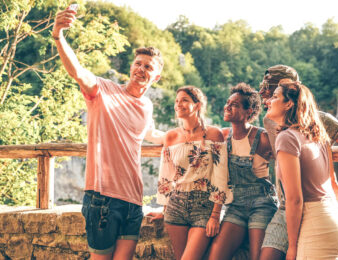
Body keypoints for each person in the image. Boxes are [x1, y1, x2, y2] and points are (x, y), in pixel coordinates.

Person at [53, 6, 164, 260]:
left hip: (134, 202)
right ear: (131, 67)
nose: (141, 69)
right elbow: (77, 71)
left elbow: (151, 134)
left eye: (148, 67)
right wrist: (58, 34)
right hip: (102, 199)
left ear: (156, 76)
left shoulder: (147, 106)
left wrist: (192, 134)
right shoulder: (103, 90)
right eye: (138, 64)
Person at [263, 79, 338, 259]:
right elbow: (334, 185)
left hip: (319, 229)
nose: (268, 101)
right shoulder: (317, 135)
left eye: (274, 97)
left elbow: (295, 199)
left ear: (288, 104)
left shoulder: (287, 138)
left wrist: (291, 246)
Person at [148, 86, 232, 260]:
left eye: (185, 100)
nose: (179, 104)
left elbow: (221, 176)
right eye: (177, 101)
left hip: (204, 206)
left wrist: (215, 215)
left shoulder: (214, 134)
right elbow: (166, 176)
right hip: (176, 205)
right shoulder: (171, 136)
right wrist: (164, 210)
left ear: (198, 105)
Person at [207, 83, 278, 260]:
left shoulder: (262, 137)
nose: (228, 107)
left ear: (249, 111)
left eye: (235, 105)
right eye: (228, 103)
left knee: (257, 257)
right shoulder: (223, 136)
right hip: (235, 205)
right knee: (215, 256)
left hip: (262, 203)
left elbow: (286, 161)